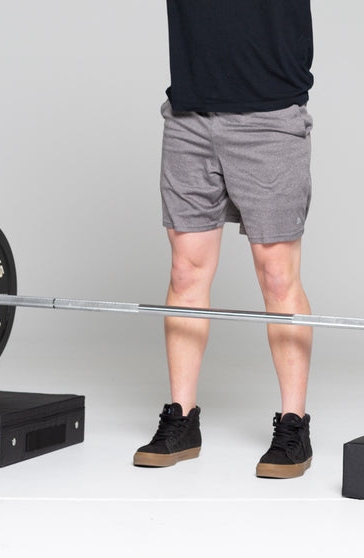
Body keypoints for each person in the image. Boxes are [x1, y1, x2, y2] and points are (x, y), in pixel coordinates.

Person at [133, 0, 316, 479]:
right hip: (190, 114)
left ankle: (294, 423)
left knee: (278, 276)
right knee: (185, 270)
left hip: (269, 115)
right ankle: (181, 417)